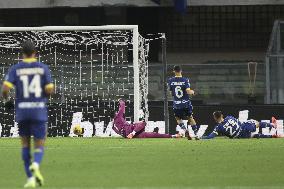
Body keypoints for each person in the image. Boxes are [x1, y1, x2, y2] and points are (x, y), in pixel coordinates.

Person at [1, 40, 54, 188]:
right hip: (38, 111)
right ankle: (36, 164)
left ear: (22, 53)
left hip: (22, 111)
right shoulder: (42, 68)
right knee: (40, 142)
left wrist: (7, 101)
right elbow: (49, 90)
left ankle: (30, 178)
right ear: (35, 53)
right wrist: (42, 97)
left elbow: (5, 89)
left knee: (24, 144)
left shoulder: (15, 69)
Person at [112, 100, 181, 139]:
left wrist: (123, 135)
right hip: (130, 130)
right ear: (115, 113)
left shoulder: (114, 122)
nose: (117, 112)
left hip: (128, 134)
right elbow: (122, 106)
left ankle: (173, 136)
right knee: (142, 123)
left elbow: (115, 130)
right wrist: (120, 100)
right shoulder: (118, 116)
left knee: (153, 134)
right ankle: (132, 134)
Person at [200, 111, 282, 139]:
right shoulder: (229, 117)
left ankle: (272, 136)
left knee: (254, 135)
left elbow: (210, 137)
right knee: (257, 123)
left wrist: (200, 137)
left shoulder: (218, 128)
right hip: (243, 128)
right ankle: (272, 125)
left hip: (240, 137)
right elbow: (239, 123)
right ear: (221, 115)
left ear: (215, 118)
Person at [168, 65, 199, 139]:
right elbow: (188, 91)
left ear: (174, 71)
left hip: (177, 104)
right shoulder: (185, 80)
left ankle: (185, 130)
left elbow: (170, 93)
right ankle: (196, 134)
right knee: (190, 118)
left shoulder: (170, 80)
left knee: (178, 118)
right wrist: (193, 92)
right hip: (186, 103)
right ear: (181, 71)